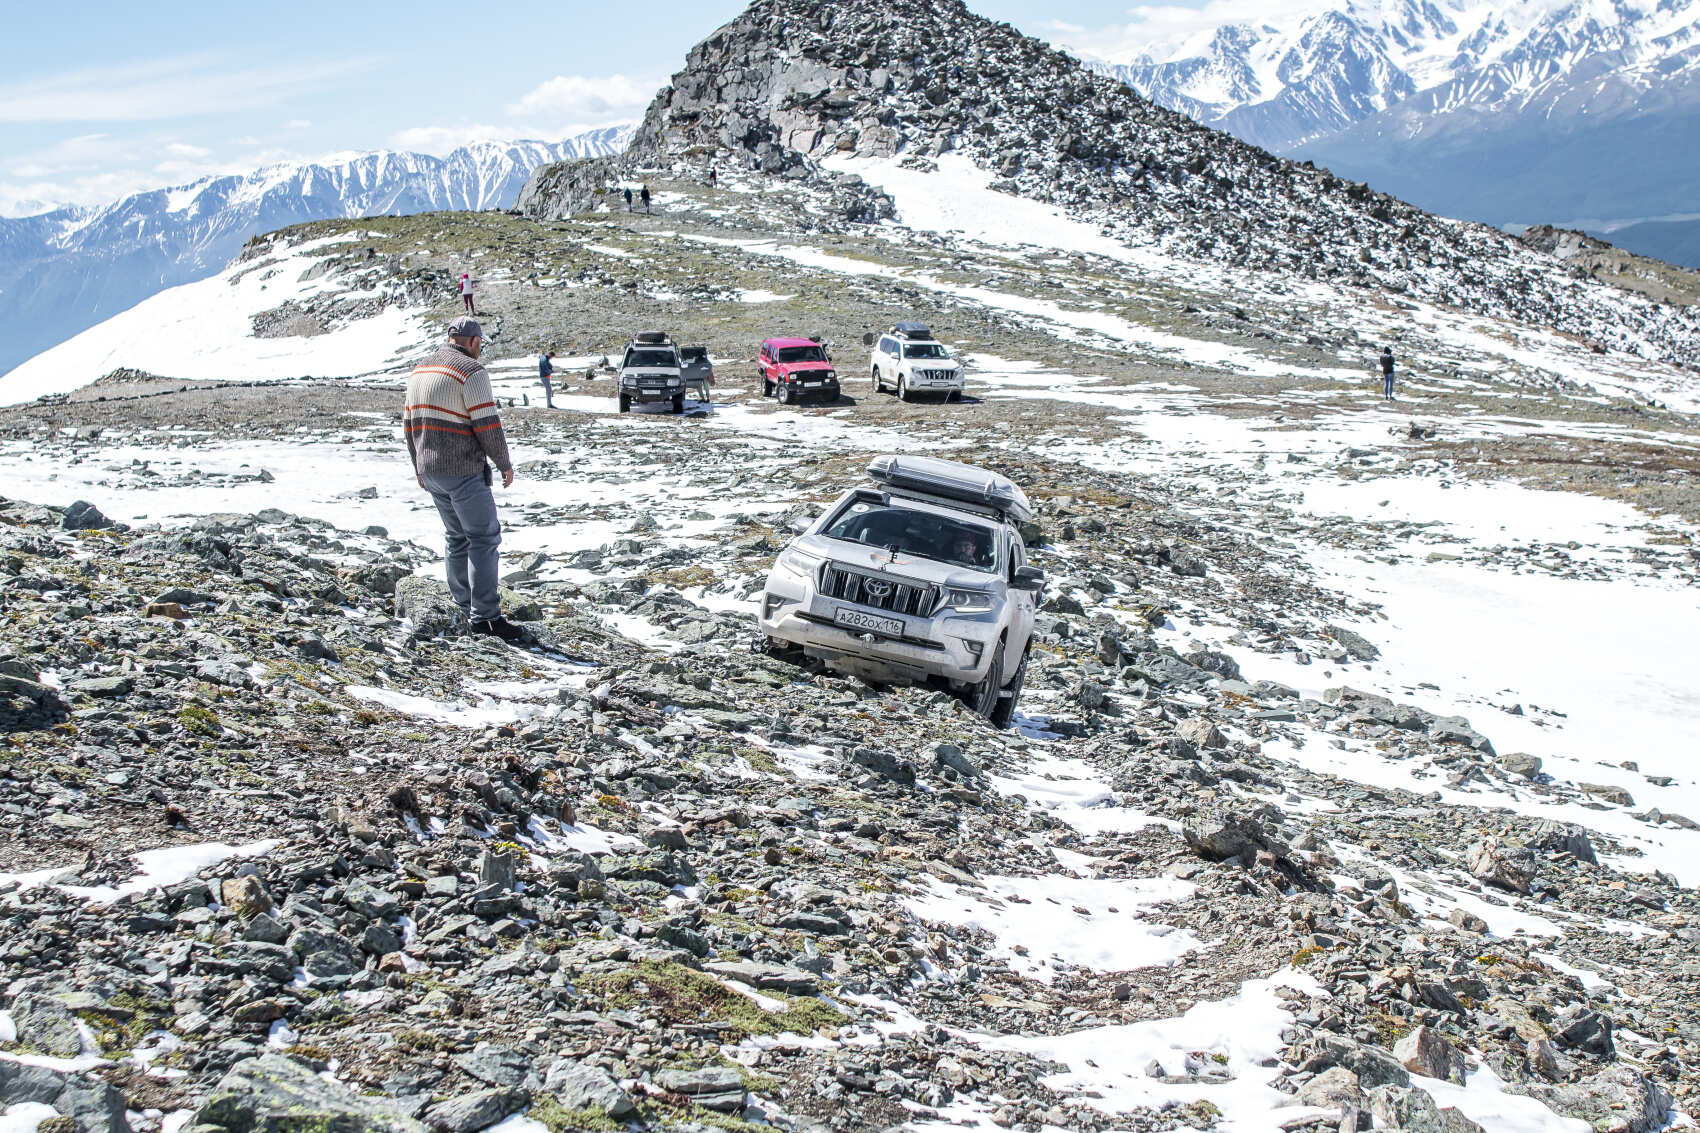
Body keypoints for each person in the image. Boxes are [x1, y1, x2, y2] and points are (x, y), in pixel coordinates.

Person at [403, 315, 524, 643]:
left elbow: (408, 422)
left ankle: (462, 604)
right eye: (480, 343)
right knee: (484, 538)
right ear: (473, 342)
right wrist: (504, 462)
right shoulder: (471, 372)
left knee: (456, 536)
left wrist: (418, 466)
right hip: (462, 469)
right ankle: (485, 617)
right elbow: (487, 422)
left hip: (430, 468)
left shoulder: (420, 370)